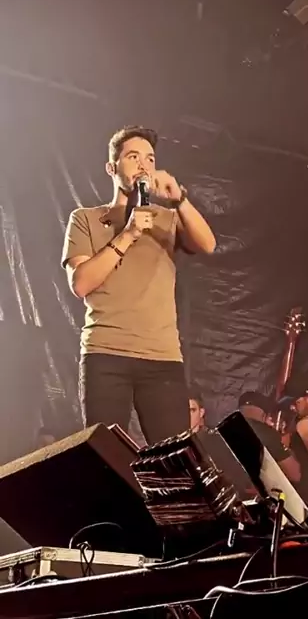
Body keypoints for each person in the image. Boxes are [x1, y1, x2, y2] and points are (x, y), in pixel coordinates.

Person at [61, 125, 216, 445]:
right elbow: (81, 283)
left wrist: (180, 199)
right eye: (133, 157)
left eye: (150, 158)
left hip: (162, 357)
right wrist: (128, 234)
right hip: (106, 352)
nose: (144, 165)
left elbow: (208, 244)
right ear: (112, 167)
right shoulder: (86, 219)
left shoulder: (167, 219)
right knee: (107, 454)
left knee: (177, 456)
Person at [238, 391, 301, 484]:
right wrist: (285, 444)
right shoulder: (267, 436)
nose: (271, 421)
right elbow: (296, 475)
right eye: (267, 416)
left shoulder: (237, 432)